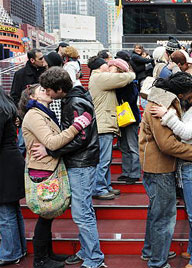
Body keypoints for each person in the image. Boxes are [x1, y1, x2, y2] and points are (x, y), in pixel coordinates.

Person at [33, 67, 106, 268]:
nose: (46, 93)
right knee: (84, 211)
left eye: (48, 89)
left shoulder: (75, 102)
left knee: (82, 213)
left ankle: (94, 258)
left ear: (58, 88)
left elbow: (80, 139)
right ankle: (88, 252)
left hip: (81, 163)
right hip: (81, 162)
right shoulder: (74, 100)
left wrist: (52, 151)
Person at [20, 84, 93, 268]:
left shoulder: (42, 112)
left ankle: (47, 254)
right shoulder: (34, 116)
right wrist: (77, 125)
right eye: (42, 90)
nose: (47, 91)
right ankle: (41, 260)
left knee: (48, 216)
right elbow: (52, 142)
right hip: (42, 170)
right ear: (32, 97)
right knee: (45, 214)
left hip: (48, 167)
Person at [139, 72, 192, 268]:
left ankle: (151, 251)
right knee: (164, 217)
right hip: (160, 168)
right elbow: (167, 145)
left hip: (154, 166)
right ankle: (158, 261)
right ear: (180, 93)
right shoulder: (162, 104)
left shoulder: (158, 100)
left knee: (156, 213)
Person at [88, 57, 135, 200]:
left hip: (105, 124)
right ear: (101, 67)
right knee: (103, 159)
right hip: (104, 125)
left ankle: (105, 186)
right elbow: (126, 77)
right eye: (106, 65)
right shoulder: (100, 77)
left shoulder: (98, 78)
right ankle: (99, 188)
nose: (108, 67)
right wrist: (124, 71)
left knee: (105, 159)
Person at [0, 89, 26, 266]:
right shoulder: (6, 107)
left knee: (5, 212)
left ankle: (10, 252)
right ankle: (18, 249)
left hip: (4, 163)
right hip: (11, 160)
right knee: (12, 208)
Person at [111, 60, 142, 185]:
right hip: (122, 117)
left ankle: (134, 173)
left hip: (130, 117)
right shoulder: (119, 83)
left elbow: (131, 98)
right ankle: (126, 172)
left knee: (132, 146)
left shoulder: (130, 83)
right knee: (124, 146)